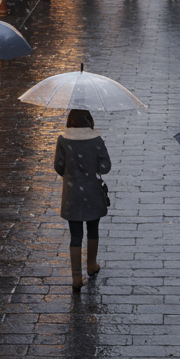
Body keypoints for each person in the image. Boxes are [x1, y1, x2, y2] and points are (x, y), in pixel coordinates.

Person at [55, 109, 111, 291]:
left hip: (72, 195)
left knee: (75, 234)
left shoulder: (63, 140)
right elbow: (105, 167)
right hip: (92, 192)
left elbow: (58, 167)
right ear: (89, 121)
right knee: (93, 228)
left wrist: (72, 171)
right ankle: (91, 264)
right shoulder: (96, 140)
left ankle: (76, 277)